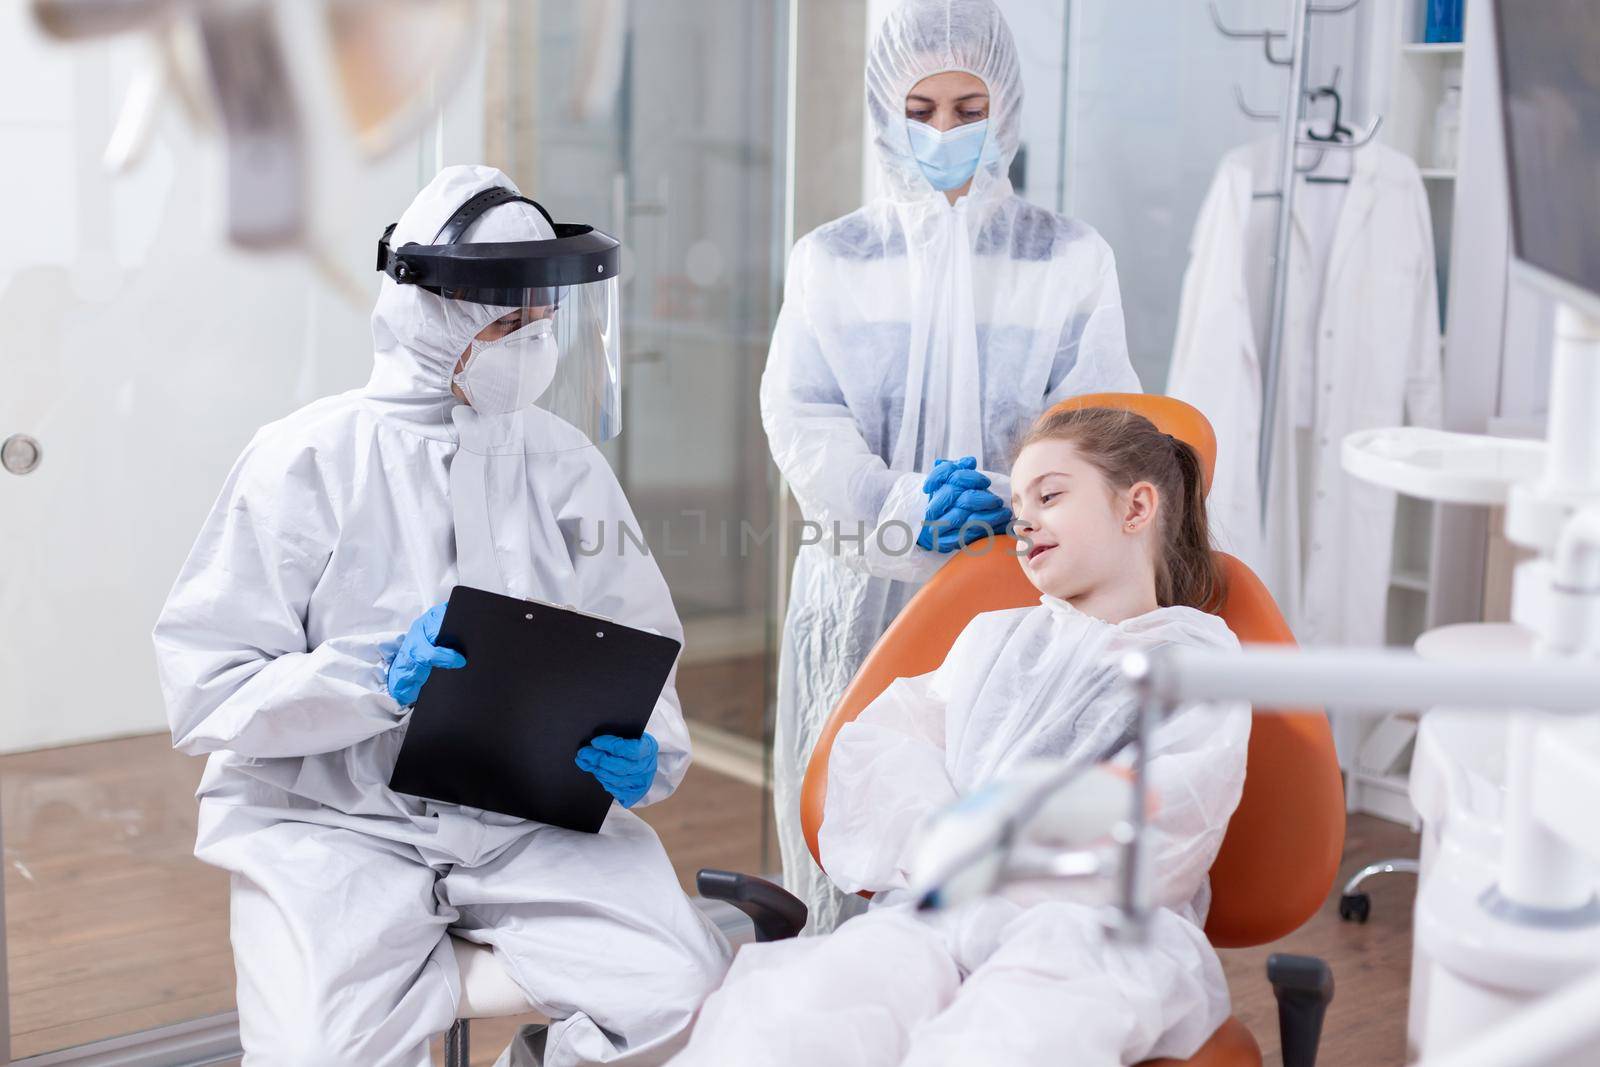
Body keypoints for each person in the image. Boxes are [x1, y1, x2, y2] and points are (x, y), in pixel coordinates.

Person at [152, 165, 729, 1067]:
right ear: (429, 316)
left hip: (524, 821)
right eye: (506, 323)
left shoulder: (566, 463)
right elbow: (204, 686)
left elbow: (637, 641)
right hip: (334, 821)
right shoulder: (306, 459)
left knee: (687, 998)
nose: (532, 342)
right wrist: (370, 679)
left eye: (541, 320)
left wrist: (648, 747)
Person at [669, 407, 1251, 1066]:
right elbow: (882, 755)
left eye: (1051, 495)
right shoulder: (992, 641)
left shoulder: (1197, 666)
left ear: (1137, 506)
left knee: (1008, 1036)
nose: (1023, 520)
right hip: (937, 912)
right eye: (1019, 504)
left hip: (1090, 936)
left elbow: (1165, 827)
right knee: (809, 1009)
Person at [764, 0, 1141, 935]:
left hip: (1013, 593)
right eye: (920, 109)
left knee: (989, 839)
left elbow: (1099, 428)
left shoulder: (1069, 260)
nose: (943, 131)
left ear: (1004, 107)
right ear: (885, 111)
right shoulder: (833, 261)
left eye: (967, 108)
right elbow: (805, 421)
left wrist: (1023, 503)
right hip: (860, 599)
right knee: (845, 828)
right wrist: (898, 506)